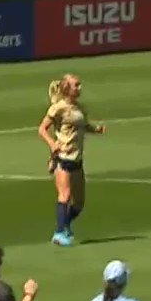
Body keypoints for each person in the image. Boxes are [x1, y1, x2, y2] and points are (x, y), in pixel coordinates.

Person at [39, 73, 104, 246]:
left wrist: (95, 129)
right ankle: (60, 233)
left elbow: (83, 125)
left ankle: (64, 224)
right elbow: (42, 129)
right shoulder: (58, 108)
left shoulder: (79, 108)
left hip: (77, 159)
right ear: (67, 89)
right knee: (65, 195)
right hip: (63, 158)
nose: (80, 88)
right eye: (77, 85)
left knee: (79, 203)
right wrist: (52, 144)